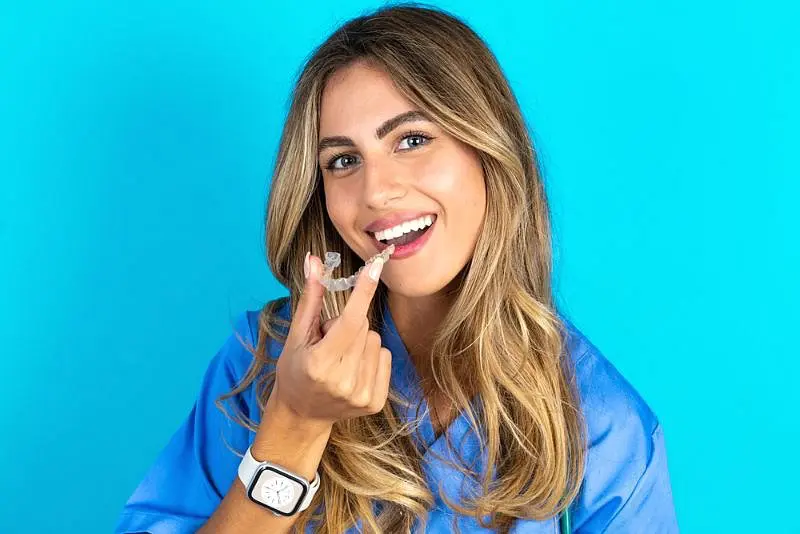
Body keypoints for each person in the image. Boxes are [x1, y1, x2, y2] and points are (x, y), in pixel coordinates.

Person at [114, 4, 679, 533]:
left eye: (412, 139)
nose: (376, 191)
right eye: (343, 160)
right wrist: (294, 426)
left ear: (488, 149)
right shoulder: (260, 365)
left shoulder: (604, 429)